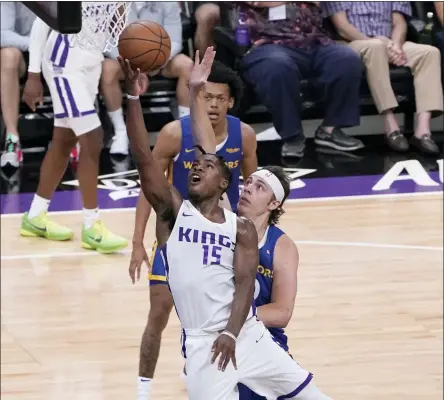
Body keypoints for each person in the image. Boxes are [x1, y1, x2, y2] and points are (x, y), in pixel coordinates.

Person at [120, 46, 331, 400]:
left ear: (223, 185)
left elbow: (246, 286)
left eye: (208, 166)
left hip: (247, 335)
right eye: (195, 165)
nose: (197, 166)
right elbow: (145, 156)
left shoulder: (241, 228)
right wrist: (136, 96)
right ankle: (143, 386)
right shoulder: (175, 213)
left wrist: (232, 333)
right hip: (205, 345)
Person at [130, 60, 258, 399]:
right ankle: (143, 388)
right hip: (177, 233)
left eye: (220, 98)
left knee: (218, 310)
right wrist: (137, 240)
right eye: (207, 97)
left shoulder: (243, 135)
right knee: (159, 311)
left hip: (220, 238)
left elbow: (252, 189)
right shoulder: (175, 133)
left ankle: (207, 363)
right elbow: (151, 186)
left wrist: (257, 236)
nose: (213, 104)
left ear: (230, 102)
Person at [186, 76, 302, 400]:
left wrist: (231, 319)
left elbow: (282, 312)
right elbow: (209, 149)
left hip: (262, 343)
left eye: (259, 187)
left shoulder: (282, 246)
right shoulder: (225, 220)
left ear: (274, 203)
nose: (248, 188)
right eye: (248, 183)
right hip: (222, 341)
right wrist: (195, 93)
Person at [19, 17, 127, 253]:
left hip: (91, 63)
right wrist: (33, 75)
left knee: (64, 141)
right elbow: (41, 23)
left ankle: (35, 215)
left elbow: (114, 24)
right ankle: (91, 226)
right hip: (63, 65)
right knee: (93, 137)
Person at [237, 2, 364, 158]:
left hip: (315, 42)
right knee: (277, 66)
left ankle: (329, 130)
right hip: (267, 44)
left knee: (346, 58)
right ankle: (292, 136)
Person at [323, 1, 443, 155]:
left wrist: (395, 46)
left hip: (389, 42)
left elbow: (399, 22)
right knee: (375, 47)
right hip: (353, 43)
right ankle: (391, 126)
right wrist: (380, 44)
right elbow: (342, 27)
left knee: (429, 53)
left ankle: (423, 132)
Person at [100, 2, 194, 155]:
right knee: (107, 69)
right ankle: (120, 131)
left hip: (161, 59)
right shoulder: (111, 4)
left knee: (187, 65)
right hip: (126, 61)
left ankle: (184, 129)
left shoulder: (168, 3)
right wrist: (134, 63)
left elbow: (175, 40)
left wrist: (154, 61)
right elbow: (107, 43)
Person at [0, 2, 35, 168]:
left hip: (55, 53)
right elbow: (3, 34)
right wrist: (36, 44)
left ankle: (74, 136)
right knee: (7, 55)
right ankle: (12, 140)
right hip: (25, 53)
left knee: (75, 52)